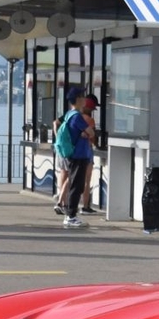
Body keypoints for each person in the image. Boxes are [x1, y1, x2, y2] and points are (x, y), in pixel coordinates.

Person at [52, 89, 97, 228]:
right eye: (82, 96)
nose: (84, 99)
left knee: (74, 183)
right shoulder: (77, 116)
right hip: (79, 155)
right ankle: (71, 215)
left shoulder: (68, 115)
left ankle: (70, 214)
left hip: (73, 154)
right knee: (76, 186)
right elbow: (91, 132)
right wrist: (86, 133)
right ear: (77, 99)